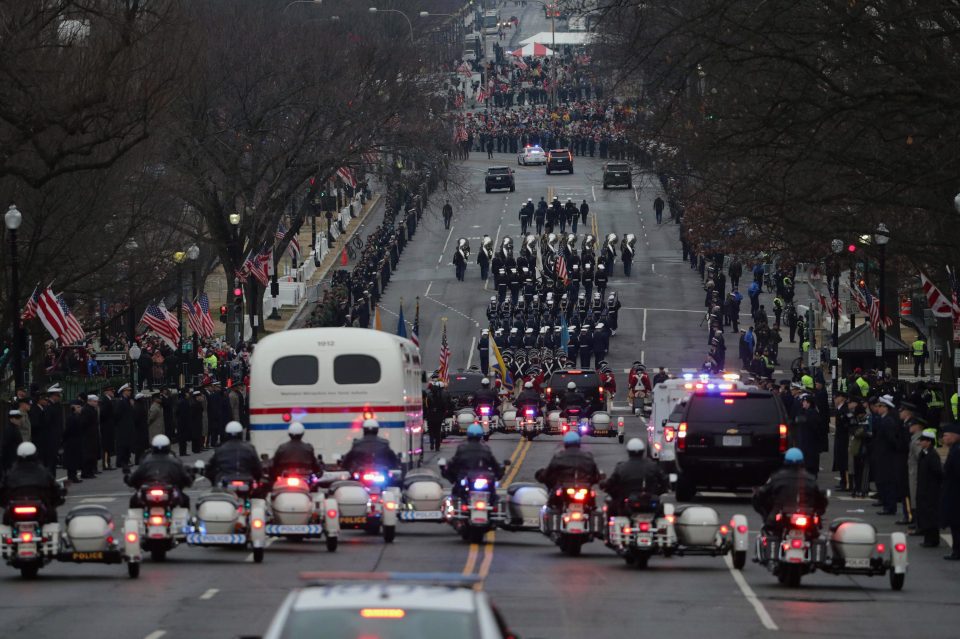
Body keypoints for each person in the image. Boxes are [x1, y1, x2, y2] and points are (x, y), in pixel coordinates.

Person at [752, 448, 828, 533]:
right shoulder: (810, 479)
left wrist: (767, 516)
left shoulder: (777, 478)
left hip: (780, 518)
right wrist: (817, 513)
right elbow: (821, 500)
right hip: (807, 517)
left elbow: (762, 495)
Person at [0, 442, 63, 524]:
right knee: (52, 516)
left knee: (6, 519)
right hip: (39, 512)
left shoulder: (11, 473)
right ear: (35, 454)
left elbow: (2, 491)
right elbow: (54, 489)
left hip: (17, 511)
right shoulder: (42, 471)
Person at [602, 438, 668, 515]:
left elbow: (611, 483)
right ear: (643, 451)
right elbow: (664, 481)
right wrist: (658, 491)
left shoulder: (621, 467)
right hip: (649, 505)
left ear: (628, 452)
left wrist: (604, 485)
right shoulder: (653, 466)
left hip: (629, 507)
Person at [126, 435, 193, 508]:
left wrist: (129, 479)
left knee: (133, 500)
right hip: (167, 492)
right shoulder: (175, 462)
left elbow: (134, 478)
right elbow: (186, 479)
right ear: (168, 447)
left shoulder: (146, 461)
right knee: (185, 499)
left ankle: (137, 519)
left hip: (150, 491)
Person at [535, 432, 601, 507]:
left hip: (565, 489)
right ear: (578, 443)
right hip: (583, 489)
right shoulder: (588, 457)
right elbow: (596, 476)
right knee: (592, 504)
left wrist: (541, 475)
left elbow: (547, 474)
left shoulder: (559, 457)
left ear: (565, 444)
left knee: (552, 504)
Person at [440, 424, 504, 498]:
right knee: (494, 496)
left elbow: (454, 464)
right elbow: (494, 465)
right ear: (480, 435)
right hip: (475, 480)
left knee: (455, 494)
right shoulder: (486, 449)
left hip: (467, 479)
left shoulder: (462, 448)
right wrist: (499, 471)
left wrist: (448, 468)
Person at [915, 428, 942, 548]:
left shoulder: (932, 455)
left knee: (930, 515)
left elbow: (938, 472)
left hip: (930, 490)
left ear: (929, 442)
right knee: (925, 513)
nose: (920, 442)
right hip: (923, 488)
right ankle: (928, 538)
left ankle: (932, 539)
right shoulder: (924, 453)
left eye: (923, 440)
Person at [941, 422, 960, 560]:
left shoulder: (957, 451)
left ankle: (957, 551)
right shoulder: (954, 449)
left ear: (954, 436)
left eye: (946, 435)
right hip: (953, 492)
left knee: (956, 524)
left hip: (955, 493)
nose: (944, 438)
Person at [792, 394, 822, 476]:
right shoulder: (805, 412)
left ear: (809, 403)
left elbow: (815, 428)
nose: (803, 403)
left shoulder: (812, 413)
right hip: (805, 442)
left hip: (811, 443)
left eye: (804, 402)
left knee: (810, 464)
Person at [80, 395, 101, 478]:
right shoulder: (86, 410)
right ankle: (86, 472)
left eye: (96, 402)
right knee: (87, 455)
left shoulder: (92, 409)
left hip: (92, 435)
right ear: (89, 401)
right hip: (87, 436)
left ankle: (90, 471)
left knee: (92, 454)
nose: (96, 403)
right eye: (95, 402)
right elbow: (83, 423)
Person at [424, 382, 449, 452]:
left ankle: (432, 443)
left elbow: (427, 406)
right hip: (438, 416)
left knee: (431, 431)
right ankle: (437, 446)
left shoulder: (428, 396)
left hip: (430, 416)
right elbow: (444, 406)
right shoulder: (441, 396)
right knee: (437, 431)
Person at [2, 409, 25, 475]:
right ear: (11, 419)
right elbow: (5, 445)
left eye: (19, 418)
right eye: (17, 418)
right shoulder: (10, 429)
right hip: (11, 460)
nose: (19, 420)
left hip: (15, 459)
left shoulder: (14, 428)